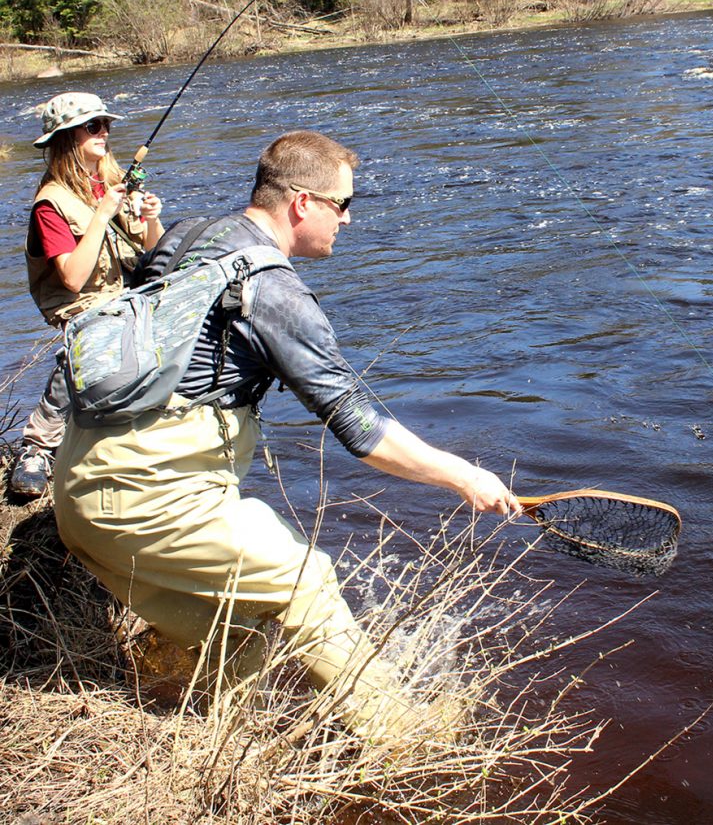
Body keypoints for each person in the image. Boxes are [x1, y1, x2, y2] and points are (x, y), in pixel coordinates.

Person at [53, 130, 521, 738]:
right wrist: (464, 475)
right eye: (342, 205)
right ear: (303, 203)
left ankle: (181, 724)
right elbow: (357, 425)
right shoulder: (273, 290)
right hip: (147, 497)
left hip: (84, 487)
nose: (347, 220)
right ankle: (405, 738)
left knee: (239, 640)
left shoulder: (194, 233)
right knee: (307, 583)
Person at [10, 92, 164, 497]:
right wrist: (101, 215)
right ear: (67, 138)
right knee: (98, 328)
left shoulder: (110, 183)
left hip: (125, 287)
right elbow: (74, 279)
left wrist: (151, 218)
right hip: (81, 303)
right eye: (93, 126)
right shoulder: (50, 204)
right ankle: (38, 446)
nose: (104, 133)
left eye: (106, 125)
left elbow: (154, 250)